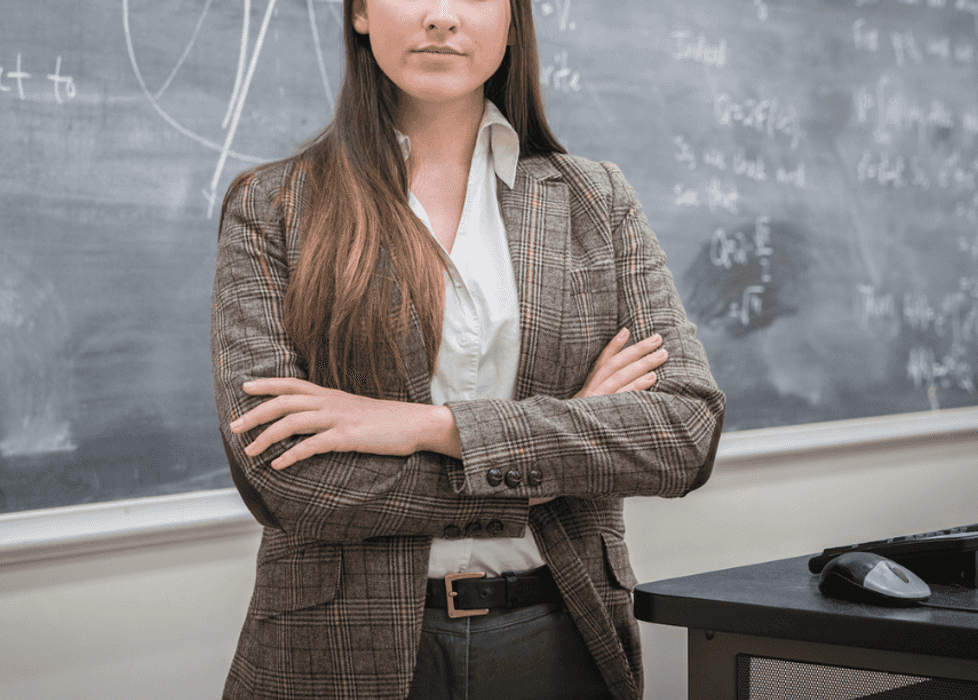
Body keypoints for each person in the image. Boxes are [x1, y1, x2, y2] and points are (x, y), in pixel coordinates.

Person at [211, 0, 725, 697]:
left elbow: (681, 434)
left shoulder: (593, 201)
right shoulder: (275, 205)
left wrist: (427, 427)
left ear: (513, 18)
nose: (442, 16)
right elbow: (287, 480)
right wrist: (559, 446)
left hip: (560, 631)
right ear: (360, 12)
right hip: (336, 646)